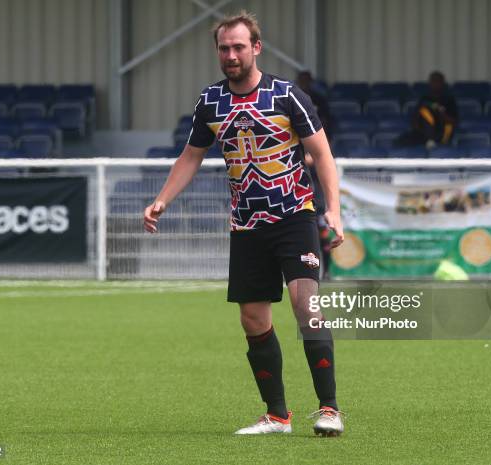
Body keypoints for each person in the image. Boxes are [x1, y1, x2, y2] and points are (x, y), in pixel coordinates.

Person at [143, 11, 345, 437]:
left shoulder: (287, 95)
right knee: (253, 319)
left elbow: (323, 154)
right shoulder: (210, 102)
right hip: (247, 225)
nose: (231, 55)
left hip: (295, 216)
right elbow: (192, 156)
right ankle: (277, 416)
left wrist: (334, 209)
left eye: (238, 47)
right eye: (224, 48)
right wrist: (162, 200)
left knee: (305, 306)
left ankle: (329, 410)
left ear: (256, 47)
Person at [296, 71, 333, 279]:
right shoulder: (290, 103)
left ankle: (326, 270)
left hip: (316, 186)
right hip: (297, 183)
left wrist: (315, 156)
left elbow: (326, 140)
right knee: (303, 234)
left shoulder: (318, 103)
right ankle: (306, 272)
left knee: (321, 230)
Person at [396, 71, 458, 148]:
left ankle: (431, 140)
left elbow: (453, 122)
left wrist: (440, 113)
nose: (435, 84)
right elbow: (415, 118)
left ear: (442, 83)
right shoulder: (425, 99)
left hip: (442, 132)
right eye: (433, 81)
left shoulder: (449, 100)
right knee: (399, 142)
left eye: (437, 81)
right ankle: (429, 140)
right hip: (424, 133)